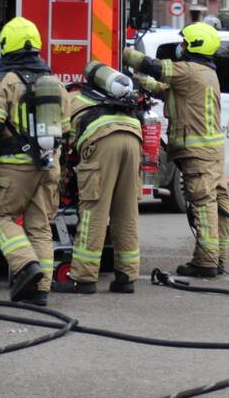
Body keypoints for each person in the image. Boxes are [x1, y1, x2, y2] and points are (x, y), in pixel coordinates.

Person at [124, 22, 228, 277]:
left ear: (194, 46)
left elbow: (156, 68)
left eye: (184, 43)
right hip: (212, 152)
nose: (180, 47)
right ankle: (218, 256)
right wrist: (138, 81)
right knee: (218, 205)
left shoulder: (190, 71)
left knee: (202, 204)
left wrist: (123, 52)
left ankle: (206, 262)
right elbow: (166, 90)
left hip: (198, 153)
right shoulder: (205, 72)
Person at [0, 17, 59, 306]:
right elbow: (67, 128)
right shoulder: (52, 81)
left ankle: (25, 265)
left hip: (15, 164)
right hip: (48, 163)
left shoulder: (5, 81)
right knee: (39, 225)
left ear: (6, 45)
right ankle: (41, 291)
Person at [53, 62, 143, 295]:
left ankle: (84, 279)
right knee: (126, 211)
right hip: (133, 137)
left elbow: (62, 141)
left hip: (103, 143)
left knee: (94, 212)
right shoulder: (115, 98)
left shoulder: (74, 98)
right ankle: (126, 277)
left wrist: (61, 181)